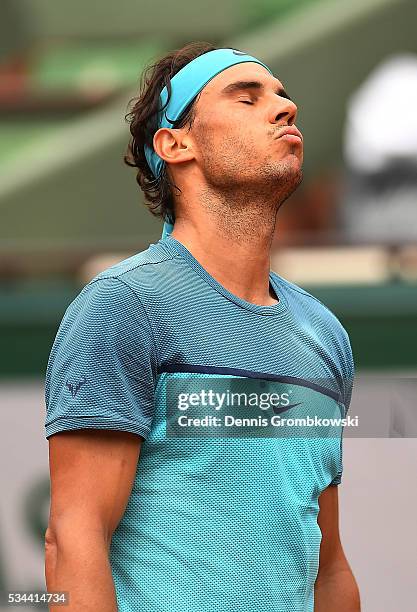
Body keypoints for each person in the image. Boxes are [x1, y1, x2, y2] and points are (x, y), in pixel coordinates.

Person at [44, 42, 360, 611]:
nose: (285, 109)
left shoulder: (325, 335)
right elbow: (74, 538)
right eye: (247, 98)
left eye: (285, 98)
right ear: (175, 142)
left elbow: (328, 566)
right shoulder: (124, 305)